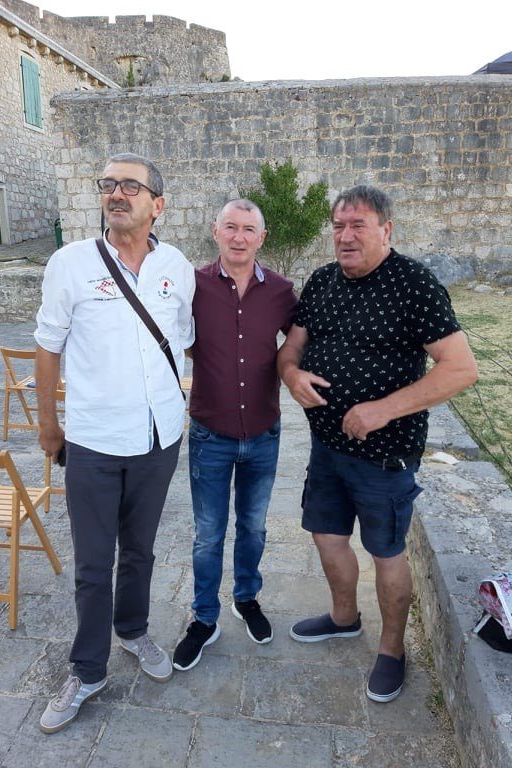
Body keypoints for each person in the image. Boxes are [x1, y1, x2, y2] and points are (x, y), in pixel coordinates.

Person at [277, 184, 477, 703]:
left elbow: (461, 369)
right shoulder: (322, 281)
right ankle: (344, 618)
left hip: (385, 456)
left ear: (386, 230)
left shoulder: (414, 284)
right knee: (326, 536)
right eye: (338, 226)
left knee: (386, 551)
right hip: (327, 445)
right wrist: (291, 375)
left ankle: (392, 650)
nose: (345, 236)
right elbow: (291, 348)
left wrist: (382, 408)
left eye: (357, 225)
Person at [35, 153, 195, 732]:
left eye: (131, 186)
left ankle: (133, 630)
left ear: (158, 204)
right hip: (94, 441)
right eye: (109, 184)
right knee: (92, 561)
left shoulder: (177, 266)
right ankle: (87, 669)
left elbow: (184, 340)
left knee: (141, 550)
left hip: (158, 438)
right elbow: (48, 346)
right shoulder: (70, 264)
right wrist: (48, 425)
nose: (117, 193)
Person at [172, 199, 297, 671]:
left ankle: (247, 598)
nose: (239, 237)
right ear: (215, 232)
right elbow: (179, 338)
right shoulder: (194, 286)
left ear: (261, 238)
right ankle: (204, 618)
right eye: (230, 227)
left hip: (264, 433)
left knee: (254, 526)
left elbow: (302, 342)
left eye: (248, 229)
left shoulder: (281, 292)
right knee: (208, 534)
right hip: (211, 433)